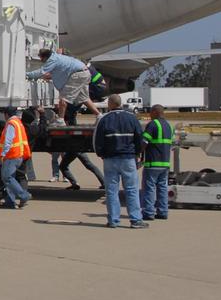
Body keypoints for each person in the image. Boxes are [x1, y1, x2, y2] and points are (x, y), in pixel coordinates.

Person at [93, 93, 146, 228]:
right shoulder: (131, 118)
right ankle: (135, 220)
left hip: (110, 159)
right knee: (131, 189)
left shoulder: (104, 120)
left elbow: (97, 141)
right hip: (128, 158)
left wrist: (101, 154)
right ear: (120, 103)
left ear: (110, 104)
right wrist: (138, 153)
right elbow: (139, 137)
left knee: (111, 190)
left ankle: (113, 220)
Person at [26, 46, 102, 120]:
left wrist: (27, 74)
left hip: (77, 75)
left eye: (41, 58)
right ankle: (99, 115)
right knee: (84, 98)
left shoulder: (53, 60)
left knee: (64, 99)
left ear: (45, 57)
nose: (41, 60)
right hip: (85, 72)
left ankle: (60, 120)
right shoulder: (59, 58)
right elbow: (55, 73)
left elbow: (41, 72)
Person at [140, 104, 174, 221]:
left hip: (153, 163)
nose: (149, 115)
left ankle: (148, 213)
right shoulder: (169, 126)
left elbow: (144, 142)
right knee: (162, 188)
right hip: (165, 164)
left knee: (149, 188)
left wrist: (138, 153)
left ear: (155, 112)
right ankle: (163, 212)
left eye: (150, 112)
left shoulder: (153, 124)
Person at [0, 106, 32, 209]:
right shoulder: (18, 123)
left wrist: (3, 154)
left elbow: (8, 140)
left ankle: (24, 196)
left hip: (11, 155)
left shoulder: (11, 124)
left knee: (7, 177)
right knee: (10, 179)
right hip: (18, 155)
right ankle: (10, 202)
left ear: (6, 114)